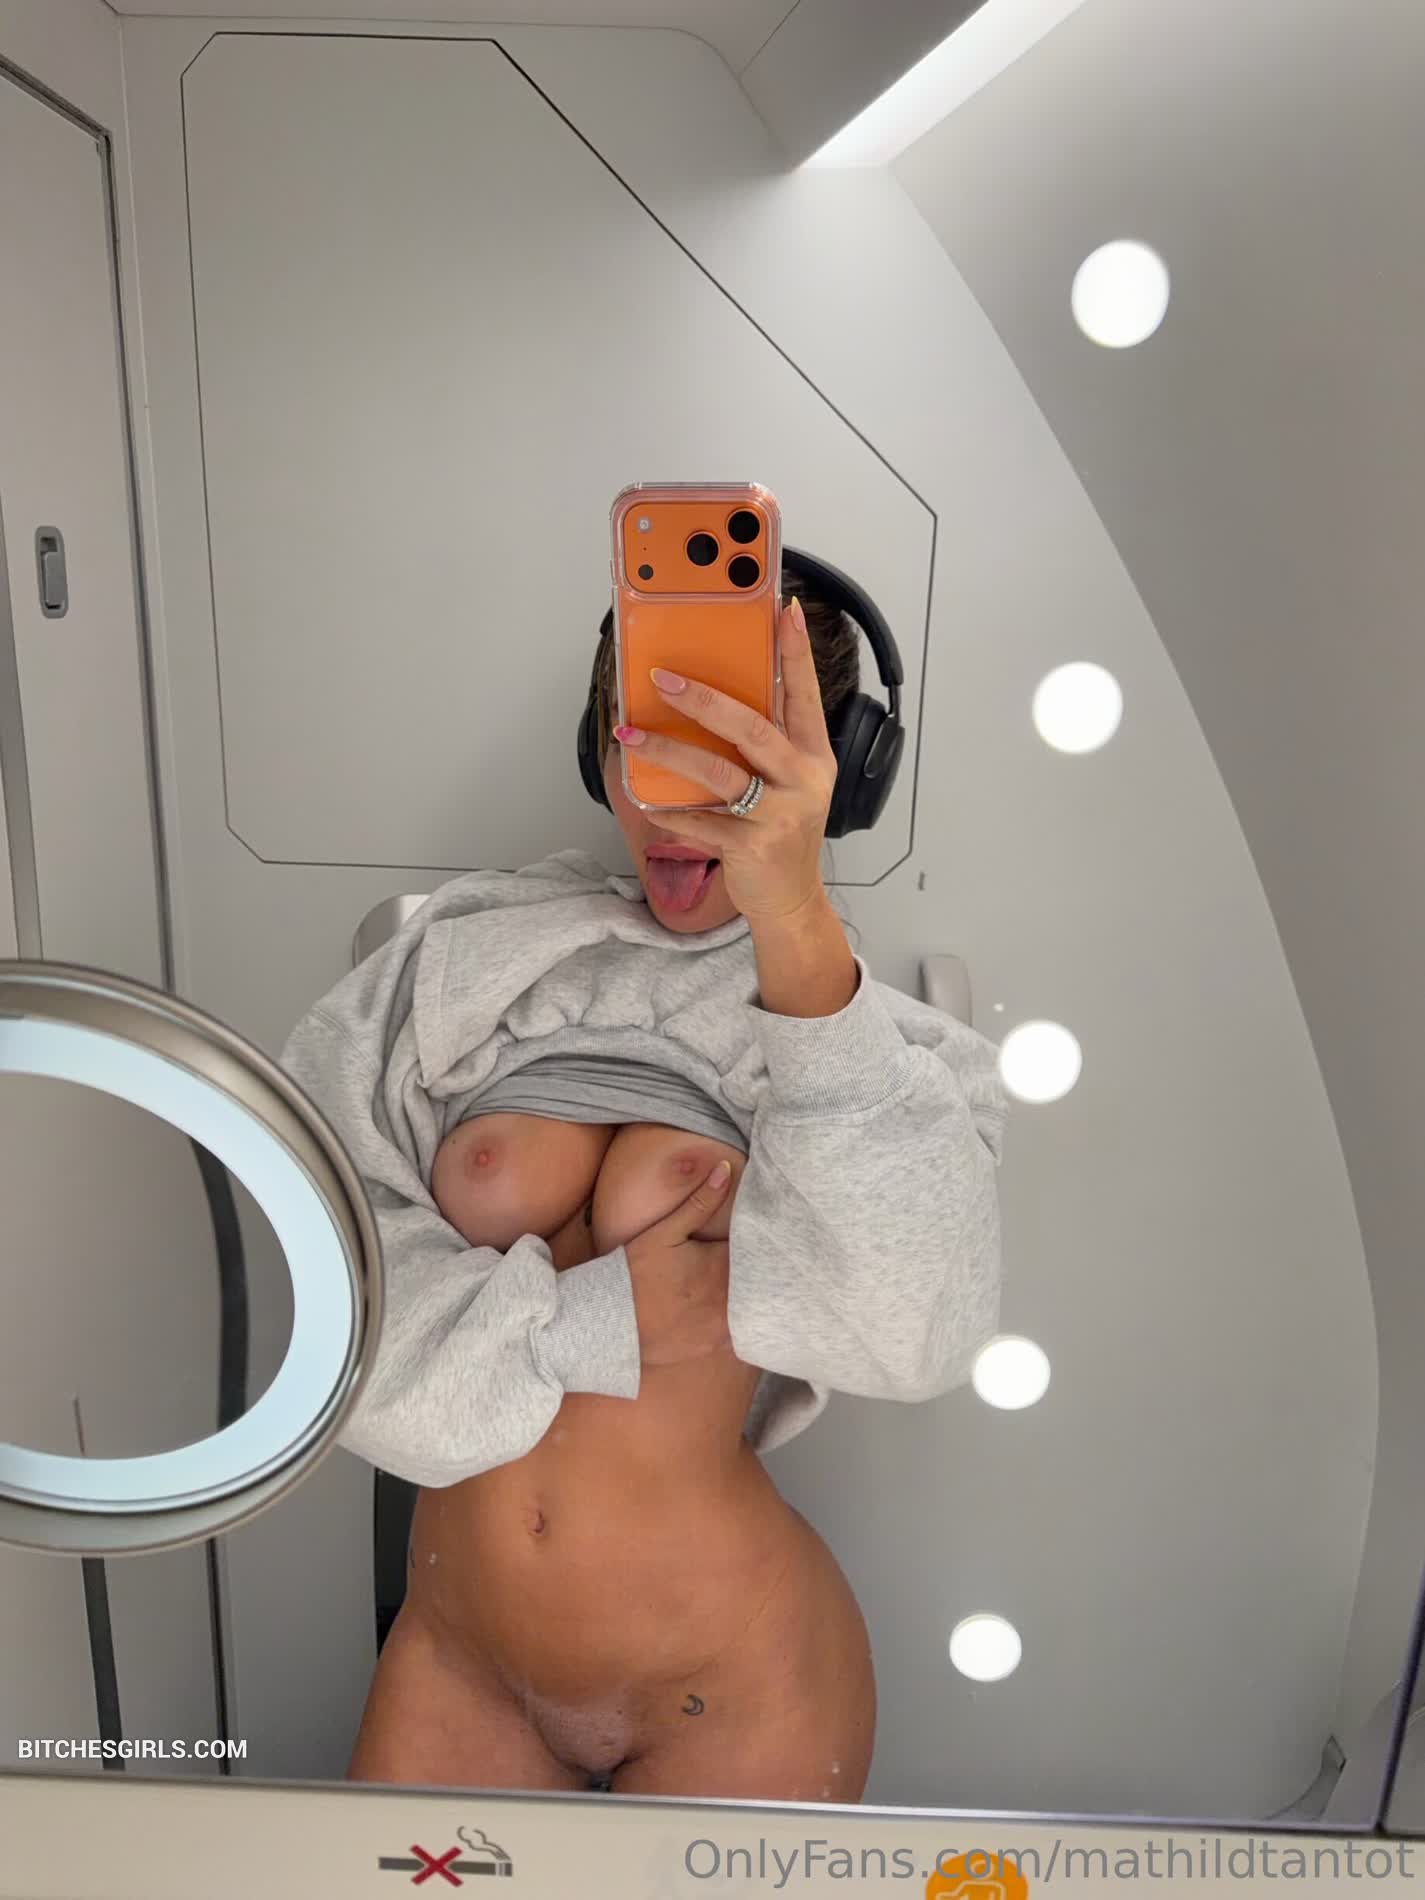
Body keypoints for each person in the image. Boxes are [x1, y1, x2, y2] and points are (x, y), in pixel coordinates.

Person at [280, 573, 1009, 1802]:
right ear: (597, 746)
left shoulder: (877, 1048)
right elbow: (335, 1341)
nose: (675, 805)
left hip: (737, 1680)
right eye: (646, 743)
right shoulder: (460, 966)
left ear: (832, 775)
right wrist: (604, 1315)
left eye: (734, 761)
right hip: (464, 1662)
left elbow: (918, 1336)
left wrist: (800, 934)